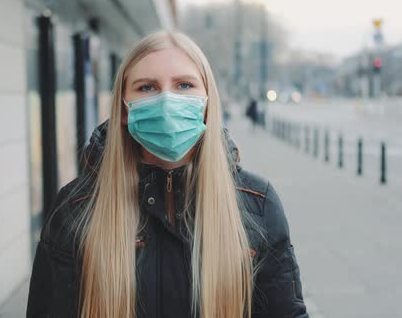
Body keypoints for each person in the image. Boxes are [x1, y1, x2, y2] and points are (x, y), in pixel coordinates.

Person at [26, 30, 308, 318]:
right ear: (123, 109)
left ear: (207, 102)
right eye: (147, 87)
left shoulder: (256, 204)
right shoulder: (77, 208)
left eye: (184, 85)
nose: (167, 101)